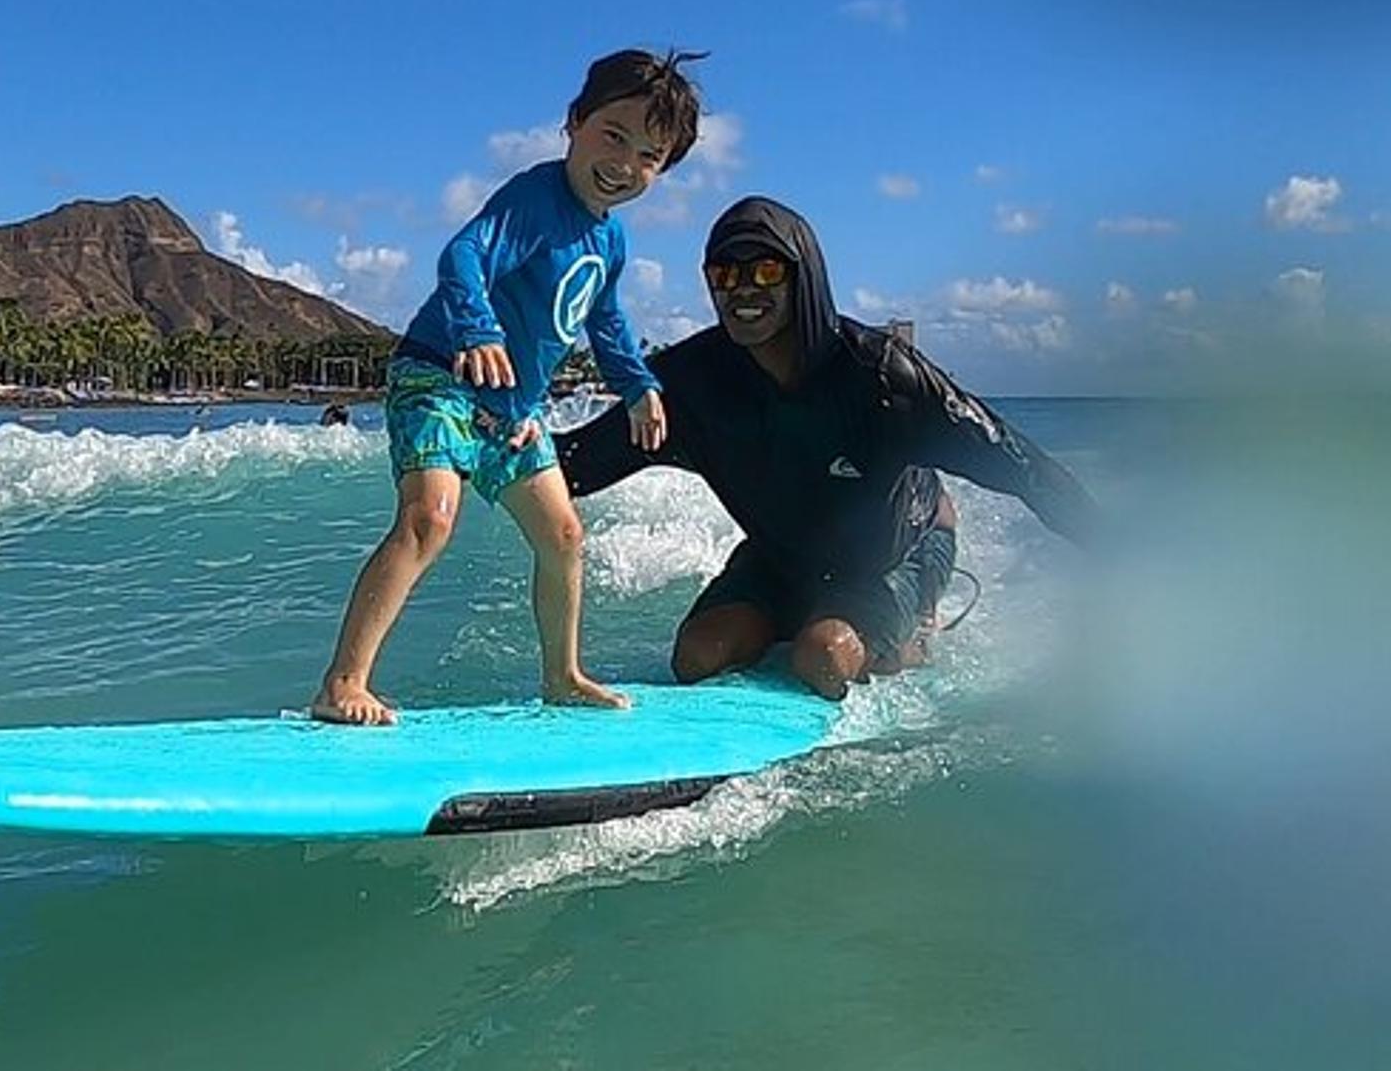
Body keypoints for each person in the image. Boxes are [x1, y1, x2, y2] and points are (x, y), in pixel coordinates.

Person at [558, 195, 1097, 699]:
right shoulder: (692, 387)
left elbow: (1021, 465)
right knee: (698, 656)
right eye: (725, 273)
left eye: (767, 270)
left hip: (898, 551)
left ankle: (911, 639)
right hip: (781, 558)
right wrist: (482, 437)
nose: (743, 288)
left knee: (825, 656)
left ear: (804, 278)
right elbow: (574, 465)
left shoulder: (883, 378)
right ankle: (803, 621)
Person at [311, 49, 706, 725]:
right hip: (440, 374)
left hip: (513, 409)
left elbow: (605, 320)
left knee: (564, 536)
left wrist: (638, 384)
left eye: (649, 156)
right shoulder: (534, 197)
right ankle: (343, 683)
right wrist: (477, 329)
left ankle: (562, 676)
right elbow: (463, 254)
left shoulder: (610, 242)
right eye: (614, 135)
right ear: (574, 122)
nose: (625, 164)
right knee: (430, 517)